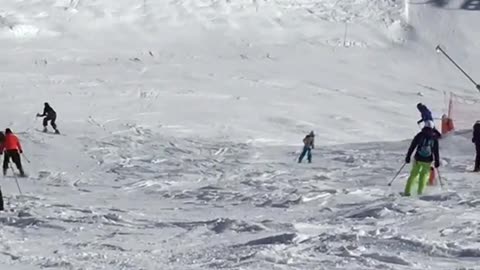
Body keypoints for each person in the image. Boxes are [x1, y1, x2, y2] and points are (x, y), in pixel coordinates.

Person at [404, 123, 440, 196]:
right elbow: (436, 151)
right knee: (424, 175)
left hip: (418, 158)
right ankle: (420, 192)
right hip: (428, 160)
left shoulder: (420, 135)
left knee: (413, 174)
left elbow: (412, 146)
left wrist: (408, 156)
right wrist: (437, 161)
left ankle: (407, 191)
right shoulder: (434, 137)